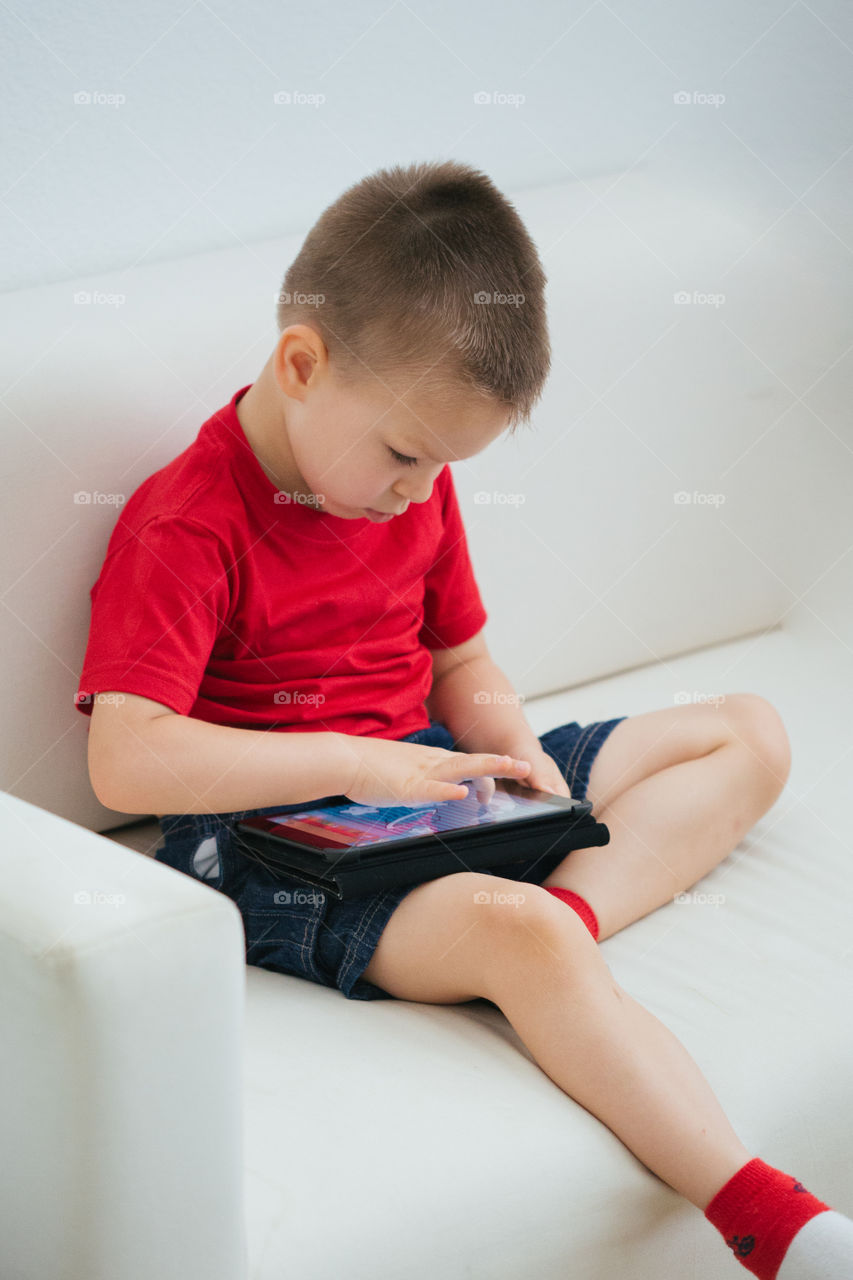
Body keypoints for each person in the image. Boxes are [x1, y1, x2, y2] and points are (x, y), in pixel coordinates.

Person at [75, 159, 852, 1278]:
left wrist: (525, 763)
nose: (416, 488)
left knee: (747, 731)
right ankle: (773, 1220)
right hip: (265, 836)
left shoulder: (412, 485)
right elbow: (127, 760)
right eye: (403, 453)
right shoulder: (185, 524)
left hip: (427, 783)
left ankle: (555, 927)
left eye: (440, 464)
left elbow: (463, 659)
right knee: (518, 929)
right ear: (302, 363)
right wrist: (356, 760)